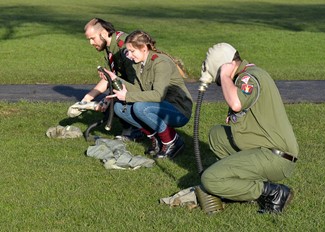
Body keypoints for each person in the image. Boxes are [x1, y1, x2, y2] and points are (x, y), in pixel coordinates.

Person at [198, 43, 299, 214]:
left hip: (276, 156)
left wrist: (224, 74)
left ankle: (273, 192)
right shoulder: (248, 74)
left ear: (226, 65)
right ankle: (240, 184)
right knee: (218, 135)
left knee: (210, 179)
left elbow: (236, 103)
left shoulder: (248, 78)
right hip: (267, 149)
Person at [105, 30, 193, 159]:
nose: (129, 55)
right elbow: (139, 90)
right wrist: (114, 79)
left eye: (132, 51)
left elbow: (158, 95)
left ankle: (172, 141)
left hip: (178, 109)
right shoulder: (138, 64)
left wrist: (127, 96)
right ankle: (156, 138)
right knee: (119, 108)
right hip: (159, 106)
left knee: (140, 108)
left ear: (144, 48)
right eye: (128, 51)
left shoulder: (160, 62)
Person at [70, 18, 142, 141]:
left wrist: (110, 97)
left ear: (103, 34)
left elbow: (136, 83)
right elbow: (111, 77)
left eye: (92, 38)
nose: (91, 43)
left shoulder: (124, 47)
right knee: (109, 100)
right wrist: (85, 100)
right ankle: (130, 127)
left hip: (146, 91)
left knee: (114, 103)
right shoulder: (110, 47)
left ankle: (137, 130)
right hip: (134, 87)